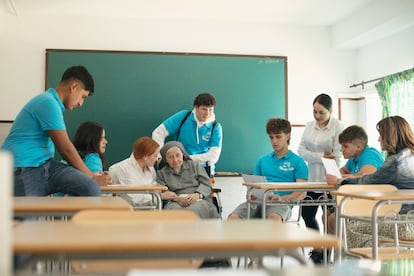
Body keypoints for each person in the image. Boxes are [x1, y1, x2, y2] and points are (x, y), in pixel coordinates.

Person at [1, 65, 111, 196]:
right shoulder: (47, 103)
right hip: (24, 168)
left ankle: (82, 216)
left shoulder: (53, 104)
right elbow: (66, 149)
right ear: (74, 87)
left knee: (89, 187)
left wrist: (91, 177)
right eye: (83, 97)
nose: (81, 103)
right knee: (28, 215)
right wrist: (92, 176)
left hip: (46, 165)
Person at [327, 116, 414, 248]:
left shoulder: (396, 162)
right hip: (406, 220)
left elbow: (368, 181)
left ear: (390, 136)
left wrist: (340, 182)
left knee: (347, 226)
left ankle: (356, 266)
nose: (379, 139)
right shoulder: (409, 156)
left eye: (381, 135)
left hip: (405, 224)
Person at [228, 118, 308, 222]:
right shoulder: (262, 161)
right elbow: (254, 186)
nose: (274, 141)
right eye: (271, 137)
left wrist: (282, 199)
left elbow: (302, 193)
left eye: (278, 137)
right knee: (233, 218)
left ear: (288, 136)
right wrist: (251, 195)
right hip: (258, 203)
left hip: (281, 204)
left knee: (274, 219)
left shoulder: (298, 162)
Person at [325, 125, 384, 234]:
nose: (341, 150)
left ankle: (345, 248)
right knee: (326, 214)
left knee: (333, 219)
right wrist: (337, 175)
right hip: (359, 201)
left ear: (358, 146)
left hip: (374, 204)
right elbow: (342, 171)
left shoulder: (370, 155)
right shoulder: (354, 158)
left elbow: (366, 175)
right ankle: (333, 249)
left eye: (345, 146)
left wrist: (338, 178)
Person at [152, 93, 222, 176]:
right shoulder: (184, 116)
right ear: (196, 107)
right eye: (204, 109)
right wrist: (160, 156)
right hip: (178, 168)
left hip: (203, 170)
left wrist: (185, 159)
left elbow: (213, 156)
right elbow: (158, 133)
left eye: (210, 109)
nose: (207, 113)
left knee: (202, 188)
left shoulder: (216, 127)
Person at [156, 141, 220, 219]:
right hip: (175, 201)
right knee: (173, 211)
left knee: (193, 211)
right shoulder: (161, 173)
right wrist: (177, 199)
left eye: (177, 155)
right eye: (170, 157)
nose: (175, 160)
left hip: (198, 199)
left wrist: (197, 194)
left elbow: (206, 184)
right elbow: (164, 192)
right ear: (166, 160)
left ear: (183, 154)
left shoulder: (195, 165)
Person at [109, 137, 160, 206]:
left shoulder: (151, 168)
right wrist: (159, 197)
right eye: (155, 156)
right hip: (126, 212)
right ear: (145, 157)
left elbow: (155, 188)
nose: (157, 159)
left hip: (148, 210)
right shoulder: (123, 169)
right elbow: (133, 199)